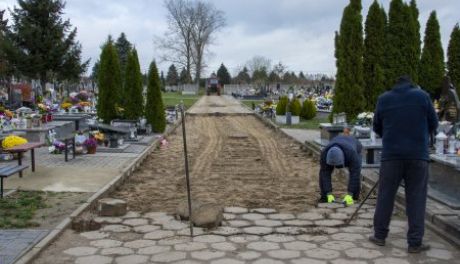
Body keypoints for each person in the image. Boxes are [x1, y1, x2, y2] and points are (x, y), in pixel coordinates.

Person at [369, 75, 438, 253]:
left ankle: (379, 235)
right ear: (411, 84)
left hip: (391, 155)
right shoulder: (422, 96)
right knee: (416, 198)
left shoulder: (384, 99)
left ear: (395, 85)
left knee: (385, 196)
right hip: (417, 155)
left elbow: (376, 126)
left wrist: (392, 135)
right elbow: (433, 123)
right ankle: (415, 242)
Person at [319, 128, 362, 206]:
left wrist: (350, 194)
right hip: (339, 142)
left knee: (356, 172)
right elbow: (325, 174)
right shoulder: (324, 154)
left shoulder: (352, 154)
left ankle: (354, 197)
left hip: (354, 144)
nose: (335, 167)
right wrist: (328, 193)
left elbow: (355, 174)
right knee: (323, 172)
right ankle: (325, 196)